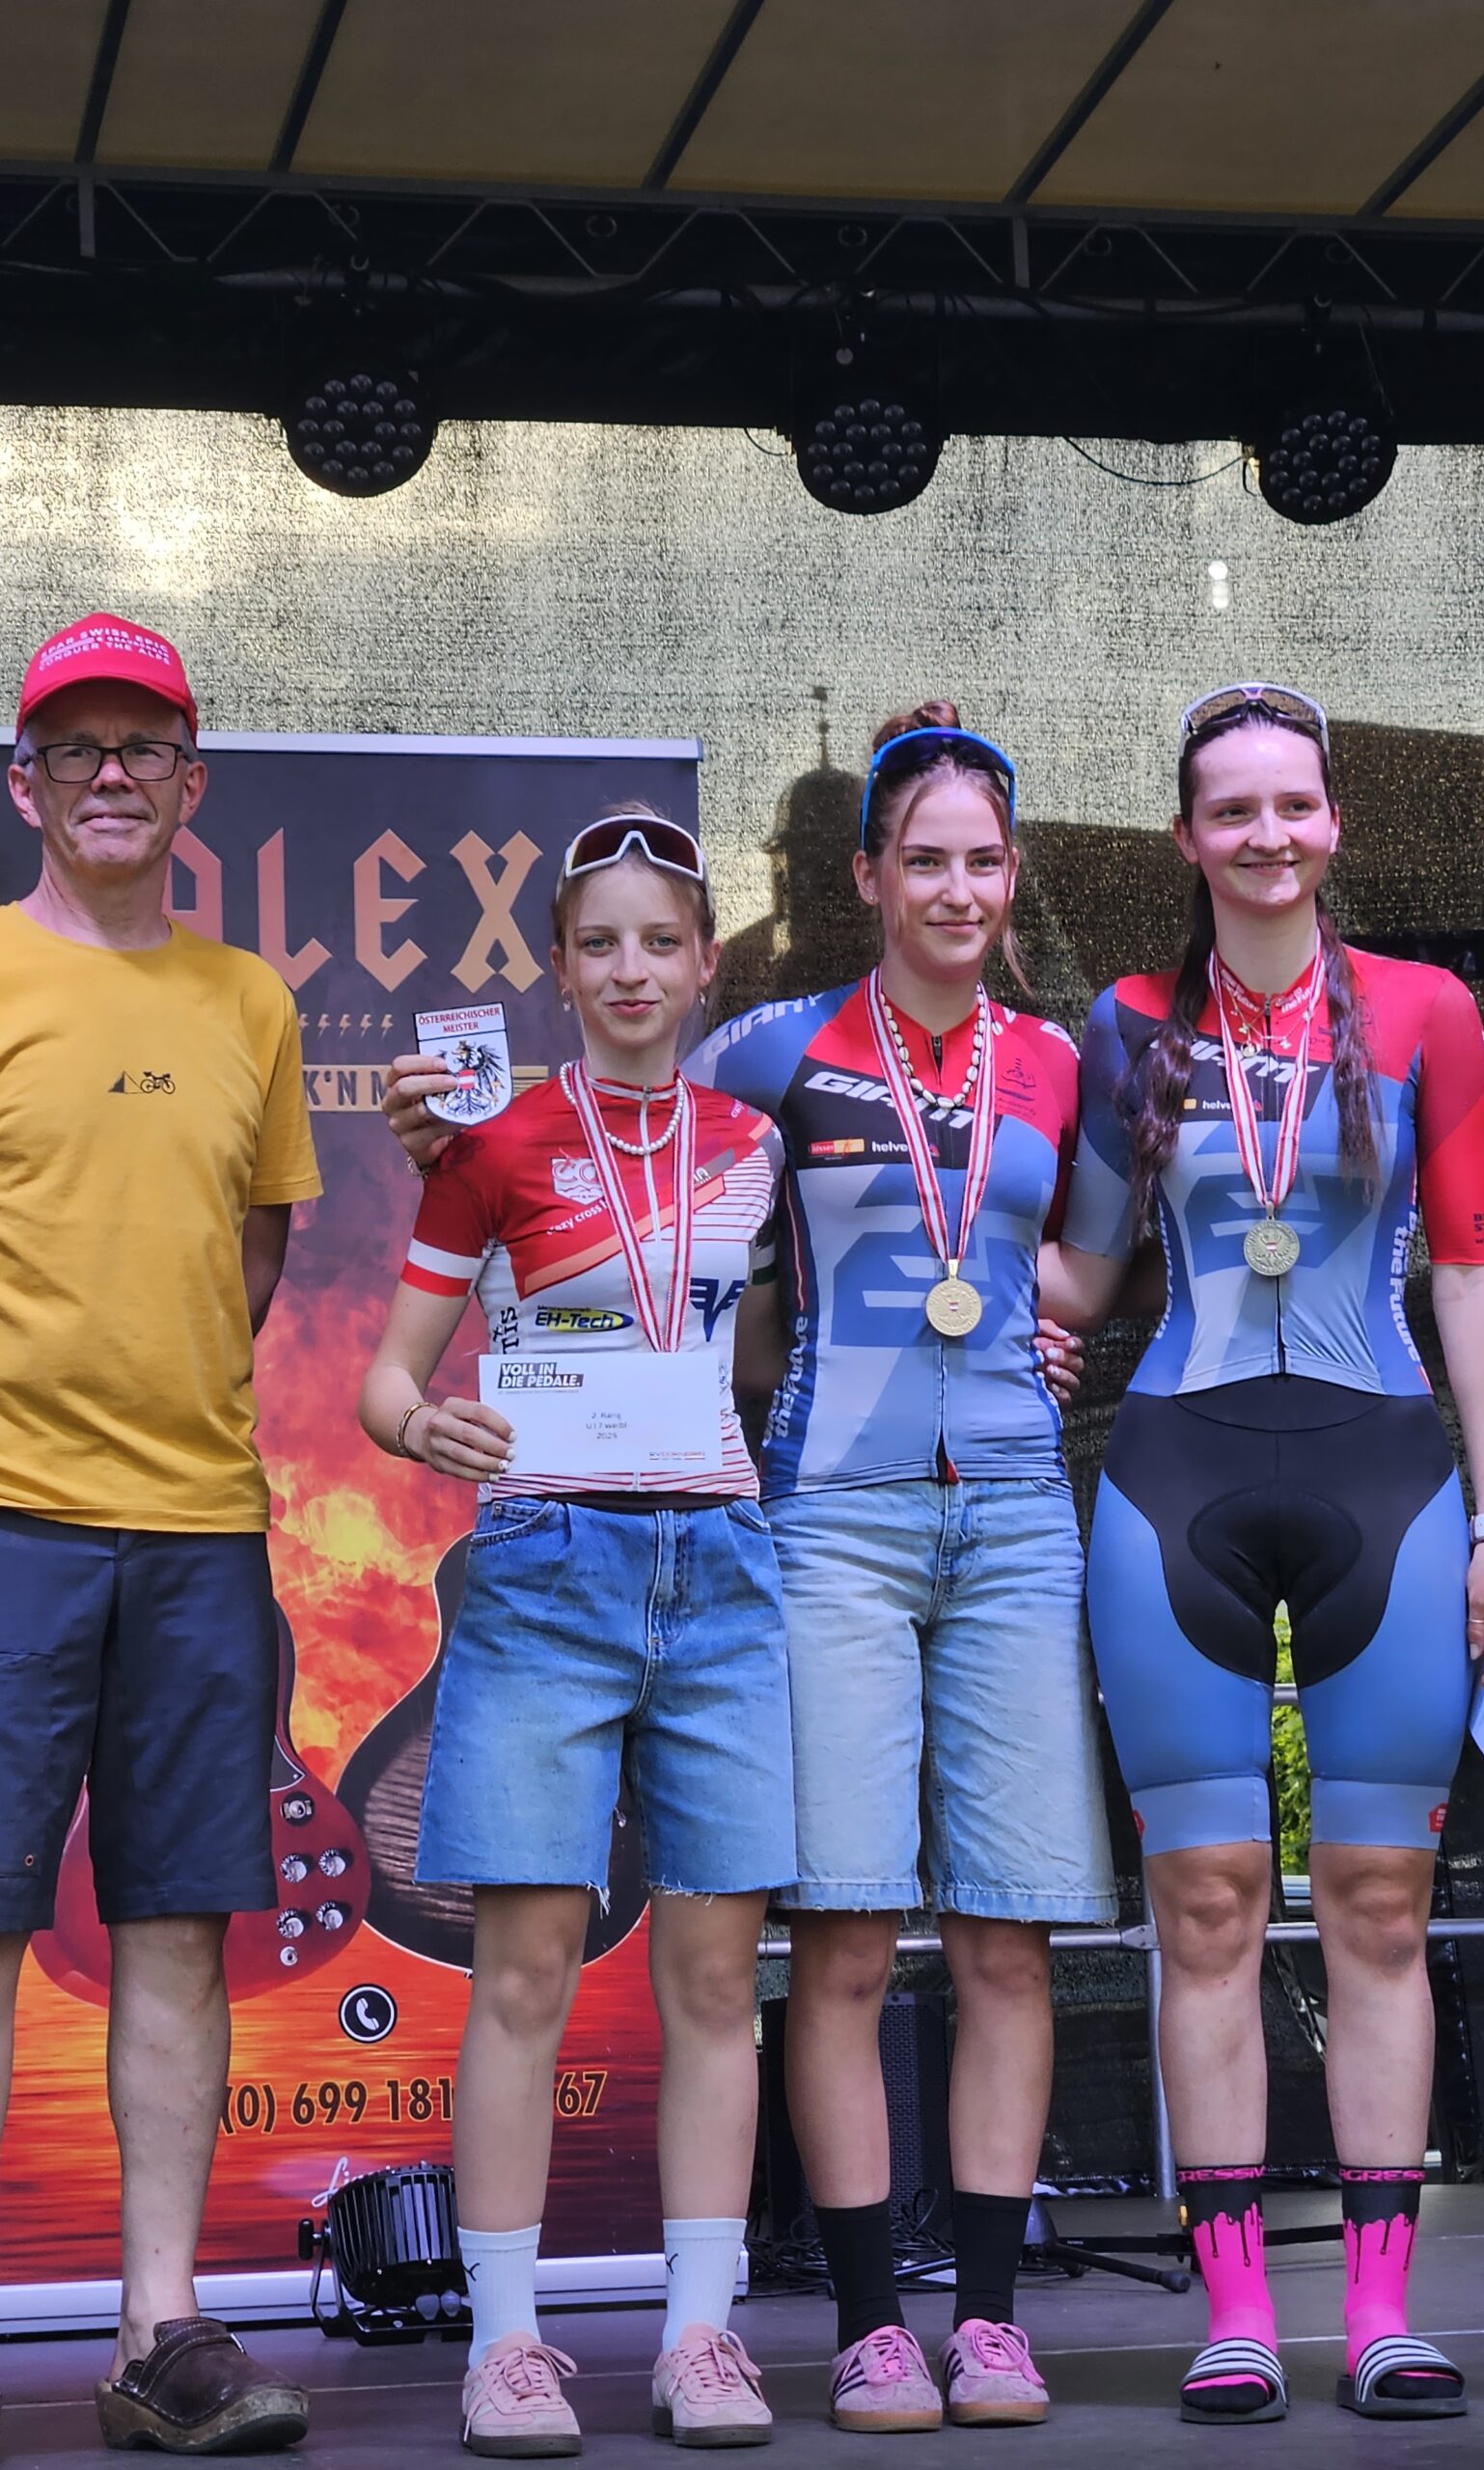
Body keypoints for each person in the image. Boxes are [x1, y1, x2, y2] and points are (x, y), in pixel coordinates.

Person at [387, 706, 1112, 2434]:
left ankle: (902, 2325)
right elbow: (552, 1182)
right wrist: (436, 1149)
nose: (953, 886)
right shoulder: (754, 1062)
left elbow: (1063, 1268)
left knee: (916, 1951)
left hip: (902, 1522)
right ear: (863, 878)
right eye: (921, 857)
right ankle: (738, 2329)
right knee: (752, 1947)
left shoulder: (1042, 1065)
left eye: (981, 859)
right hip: (740, 1529)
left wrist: (1052, 1335)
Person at [1038, 681, 1484, 2427]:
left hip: (1383, 1479)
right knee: (1205, 1905)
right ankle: (1237, 2313)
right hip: (1172, 1481)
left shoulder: (1426, 1010)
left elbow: (1468, 1267)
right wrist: (904, 1268)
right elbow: (1079, 1267)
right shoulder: (1126, 1022)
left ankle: (1383, 2311)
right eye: (1232, 810)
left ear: (1335, 824)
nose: (1266, 835)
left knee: (1380, 1900)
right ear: (1187, 837)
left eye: (1293, 805)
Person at [360, 809, 794, 2453]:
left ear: (704, 962)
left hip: (722, 1566)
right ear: (556, 967)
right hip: (546, 1567)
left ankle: (700, 2337)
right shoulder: (490, 1143)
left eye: (659, 941)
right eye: (598, 943)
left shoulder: (756, 1146)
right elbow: (386, 1377)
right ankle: (508, 2342)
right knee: (527, 1967)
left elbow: (757, 1363)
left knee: (713, 1973)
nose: (630, 969)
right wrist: (428, 1429)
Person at [0, 617, 320, 2454]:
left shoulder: (249, 1001)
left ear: (193, 786)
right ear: (25, 784)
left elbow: (251, 1259)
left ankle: (157, 2335)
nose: (110, 772)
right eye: (77, 745)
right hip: (11, 1526)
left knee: (177, 1928)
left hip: (199, 1529)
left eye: (143, 746)